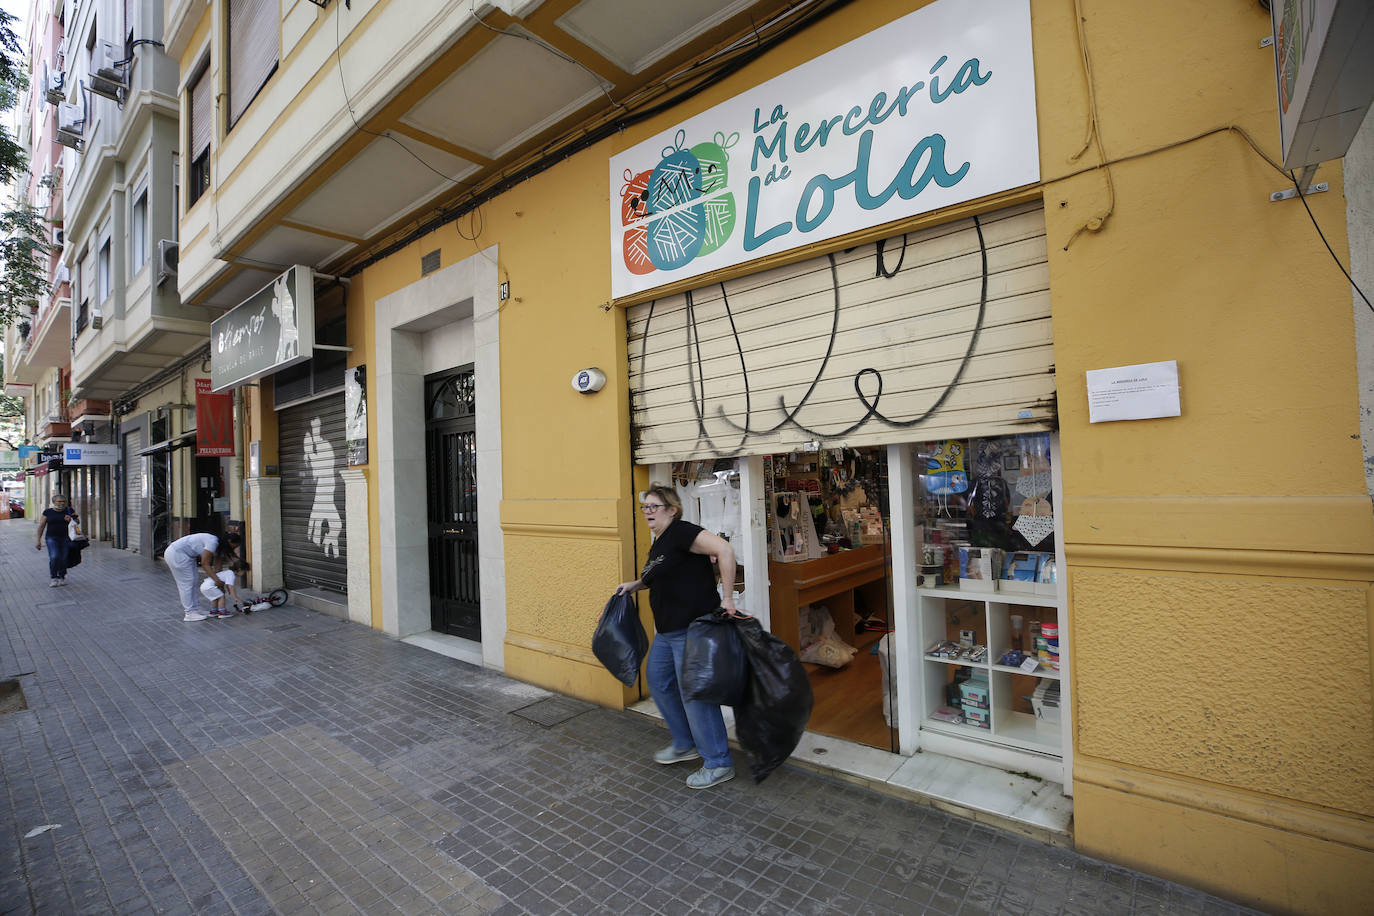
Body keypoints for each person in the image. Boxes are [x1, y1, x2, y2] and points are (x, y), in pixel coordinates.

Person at [616, 484, 743, 789]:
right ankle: (685, 742)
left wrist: (728, 598)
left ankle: (718, 762)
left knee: (695, 694)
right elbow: (660, 576)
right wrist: (635, 585)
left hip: (691, 629)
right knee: (659, 681)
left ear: (672, 510)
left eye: (654, 506)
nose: (647, 511)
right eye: (645, 506)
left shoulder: (683, 531)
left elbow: (724, 550)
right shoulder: (660, 542)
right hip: (668, 631)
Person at [164, 531, 242, 622]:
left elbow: (218, 567)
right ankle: (189, 613)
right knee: (187, 583)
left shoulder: (220, 547)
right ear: (229, 541)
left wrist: (220, 583)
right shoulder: (213, 542)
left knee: (194, 580)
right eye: (235, 546)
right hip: (176, 554)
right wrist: (216, 580)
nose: (234, 549)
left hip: (187, 556)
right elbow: (205, 563)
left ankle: (195, 609)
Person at [34, 493, 79, 587]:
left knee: (63, 558)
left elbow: (77, 522)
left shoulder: (69, 510)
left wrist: (71, 519)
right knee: (54, 556)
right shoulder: (48, 512)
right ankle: (54, 577)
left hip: (66, 538)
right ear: (54, 502)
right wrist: (38, 540)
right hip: (51, 538)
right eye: (59, 501)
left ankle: (62, 576)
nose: (61, 503)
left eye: (63, 502)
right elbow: (41, 526)